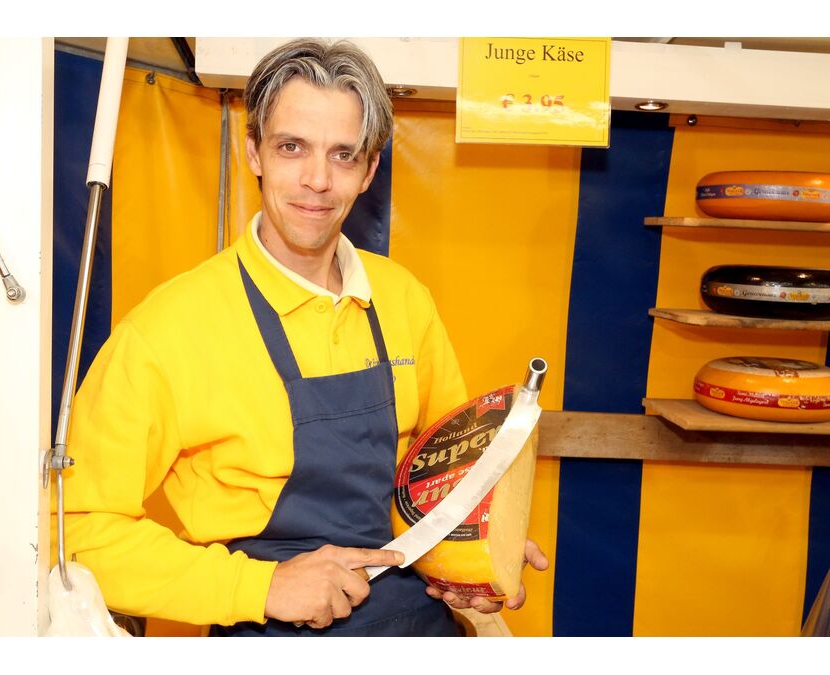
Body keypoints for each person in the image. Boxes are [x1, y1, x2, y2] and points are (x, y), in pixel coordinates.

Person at [59, 38, 548, 637]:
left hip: (417, 626)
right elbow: (74, 531)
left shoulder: (405, 300)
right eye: (292, 147)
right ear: (254, 151)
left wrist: (470, 556)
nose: (317, 180)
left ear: (369, 170)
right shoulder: (166, 330)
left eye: (343, 154)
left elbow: (447, 483)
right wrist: (259, 586)